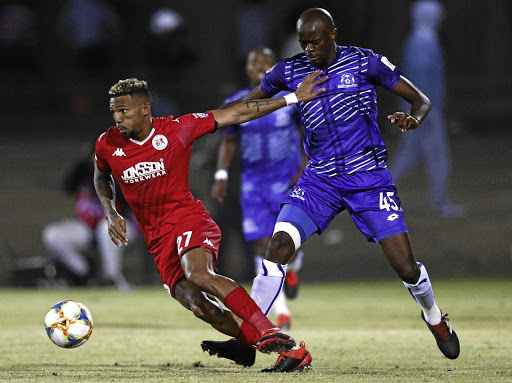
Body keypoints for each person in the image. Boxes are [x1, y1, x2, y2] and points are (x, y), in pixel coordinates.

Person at [201, 7, 460, 372]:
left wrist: (412, 118)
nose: (308, 49)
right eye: (303, 43)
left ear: (333, 34)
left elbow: (421, 100)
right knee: (277, 248)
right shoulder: (290, 71)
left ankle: (433, 316)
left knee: (405, 267)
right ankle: (248, 340)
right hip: (320, 179)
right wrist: (205, 121)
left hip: (368, 177)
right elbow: (247, 105)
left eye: (315, 42)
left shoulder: (363, 62)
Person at [93, 75, 326, 368]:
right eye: (114, 111)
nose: (117, 118)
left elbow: (239, 112)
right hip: (158, 240)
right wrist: (111, 211)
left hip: (189, 220)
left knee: (199, 274)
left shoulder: (179, 129)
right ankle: (252, 348)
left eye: (124, 111)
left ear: (145, 108)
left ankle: (270, 332)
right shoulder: (107, 143)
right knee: (199, 306)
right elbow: (101, 174)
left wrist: (293, 98)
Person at [211, 48, 306, 330]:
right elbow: (228, 140)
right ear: (248, 70)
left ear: (274, 66)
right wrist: (221, 174)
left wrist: (305, 167)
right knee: (261, 244)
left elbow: (307, 133)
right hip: (253, 183)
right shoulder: (237, 103)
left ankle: (294, 269)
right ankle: (281, 313)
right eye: (255, 63)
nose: (260, 67)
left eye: (266, 63)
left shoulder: (290, 99)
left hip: (286, 180)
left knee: (290, 243)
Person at [389, 0, 465, 218]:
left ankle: (376, 195)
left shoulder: (421, 40)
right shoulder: (423, 43)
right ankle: (440, 204)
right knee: (437, 155)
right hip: (425, 110)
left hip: (421, 108)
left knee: (411, 153)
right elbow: (421, 81)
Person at [42, 153, 137, 290]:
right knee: (53, 234)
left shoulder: (121, 172)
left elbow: (129, 201)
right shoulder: (85, 176)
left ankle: (112, 279)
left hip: (121, 224)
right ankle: (83, 273)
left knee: (106, 228)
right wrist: (82, 167)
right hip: (87, 228)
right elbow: (67, 186)